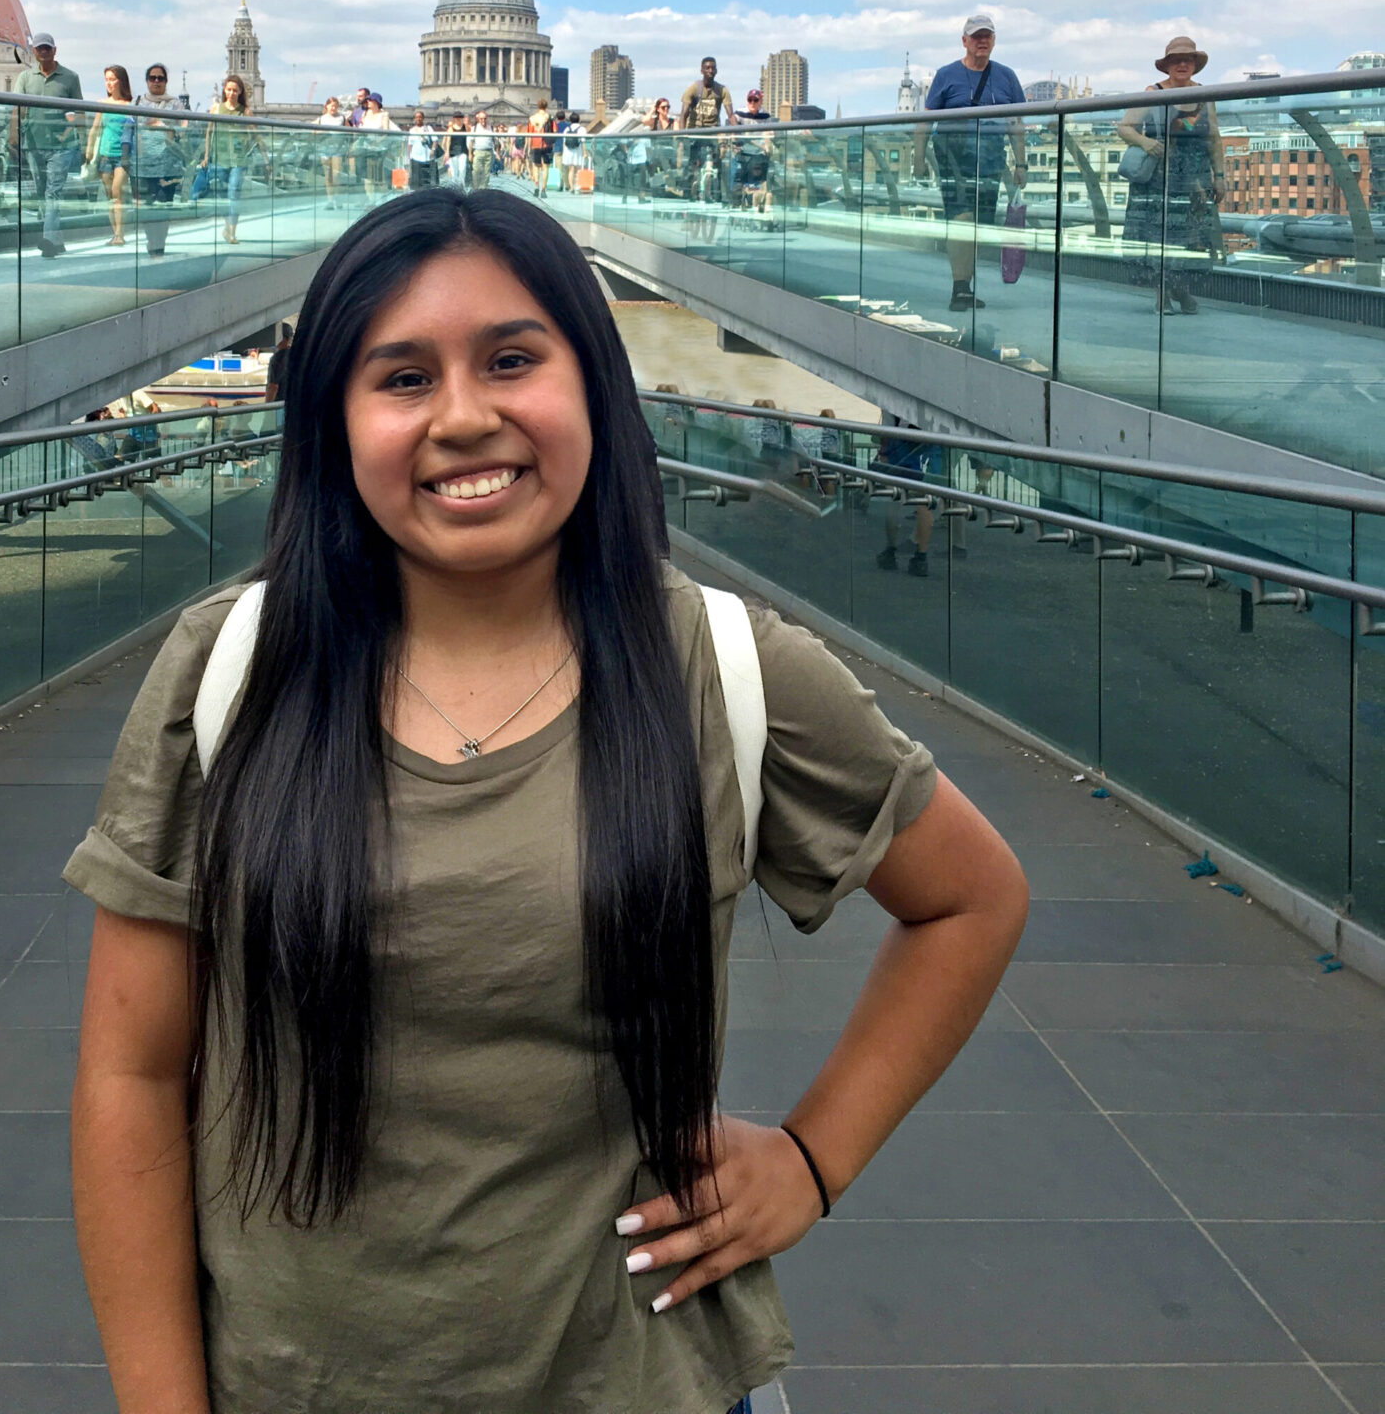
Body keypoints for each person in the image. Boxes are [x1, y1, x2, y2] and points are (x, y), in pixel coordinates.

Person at [64, 185, 1027, 1414]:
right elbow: (131, 1074)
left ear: (593, 390)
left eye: (512, 359)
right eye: (401, 378)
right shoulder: (231, 673)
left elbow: (973, 899)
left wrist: (808, 1160)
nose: (465, 418)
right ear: (333, 423)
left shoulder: (729, 669)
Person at [910, 15, 1027, 313]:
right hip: (954, 155)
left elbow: (1016, 122)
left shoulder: (1007, 77)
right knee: (961, 219)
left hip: (990, 156)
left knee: (979, 225)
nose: (982, 41)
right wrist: (919, 159)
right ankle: (959, 288)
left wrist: (1021, 163)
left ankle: (965, 287)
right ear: (964, 41)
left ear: (994, 40)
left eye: (987, 36)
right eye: (976, 36)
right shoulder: (946, 75)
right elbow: (924, 120)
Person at [1116, 37, 1225, 316]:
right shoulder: (1152, 92)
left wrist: (1220, 175)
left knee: (1190, 240)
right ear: (1166, 66)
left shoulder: (1204, 96)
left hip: (1195, 182)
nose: (1182, 64)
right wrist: (1145, 142)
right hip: (1158, 180)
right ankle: (1162, 295)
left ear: (1194, 65)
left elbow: (1213, 138)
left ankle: (1181, 290)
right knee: (1158, 238)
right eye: (1176, 60)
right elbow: (1125, 127)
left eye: (1187, 59)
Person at [14, 33, 84, 259]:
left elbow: (78, 112)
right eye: (39, 49)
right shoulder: (25, 78)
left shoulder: (70, 77)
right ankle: (57, 240)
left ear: (55, 50)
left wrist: (69, 135)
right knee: (42, 191)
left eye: (47, 48)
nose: (43, 52)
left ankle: (48, 241)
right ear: (34, 52)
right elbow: (16, 108)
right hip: (33, 144)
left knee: (53, 192)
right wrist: (12, 136)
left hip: (61, 147)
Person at [875, 416, 940, 577]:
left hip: (901, 443)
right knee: (924, 502)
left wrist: (883, 451)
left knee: (894, 498)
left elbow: (887, 428)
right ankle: (921, 557)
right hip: (932, 444)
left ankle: (890, 551)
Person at [133, 63, 185, 257]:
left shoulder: (176, 104)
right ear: (147, 81)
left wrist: (159, 124)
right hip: (143, 164)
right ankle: (151, 240)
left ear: (166, 81)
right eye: (152, 78)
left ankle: (159, 244)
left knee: (163, 206)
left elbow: (184, 128)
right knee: (146, 207)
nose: (156, 81)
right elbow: (129, 129)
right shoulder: (137, 103)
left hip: (167, 165)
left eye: (160, 78)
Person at [202, 75, 260, 244]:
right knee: (222, 197)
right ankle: (227, 227)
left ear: (240, 92)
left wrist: (262, 156)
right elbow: (208, 133)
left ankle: (232, 232)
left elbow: (256, 136)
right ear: (224, 91)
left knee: (234, 195)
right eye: (229, 89)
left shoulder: (245, 112)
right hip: (219, 158)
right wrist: (206, 156)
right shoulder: (216, 109)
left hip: (238, 160)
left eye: (235, 90)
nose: (232, 93)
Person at [85, 66, 136, 246]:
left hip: (122, 156)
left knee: (117, 192)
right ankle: (114, 233)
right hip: (105, 154)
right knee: (109, 196)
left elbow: (132, 133)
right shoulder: (102, 103)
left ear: (120, 81)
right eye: (106, 79)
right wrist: (89, 149)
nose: (109, 83)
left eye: (112, 79)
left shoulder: (129, 107)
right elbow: (95, 128)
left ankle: (120, 234)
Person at [680, 57, 734, 209]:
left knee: (719, 164)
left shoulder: (722, 90)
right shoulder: (694, 88)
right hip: (695, 132)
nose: (710, 71)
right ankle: (689, 197)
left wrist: (737, 135)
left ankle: (720, 196)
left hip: (712, 132)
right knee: (692, 167)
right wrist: (683, 135)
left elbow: (730, 115)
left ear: (716, 70)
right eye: (707, 68)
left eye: (713, 68)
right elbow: (683, 114)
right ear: (702, 70)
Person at [316, 96, 347, 204]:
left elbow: (348, 131)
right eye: (331, 106)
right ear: (327, 106)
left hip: (338, 149)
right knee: (328, 176)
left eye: (335, 106)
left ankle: (337, 198)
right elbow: (313, 131)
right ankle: (330, 200)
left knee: (336, 174)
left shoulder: (341, 118)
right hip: (324, 149)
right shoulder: (321, 118)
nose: (333, 108)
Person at [524, 98, 553, 197]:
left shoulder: (532, 118)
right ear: (546, 106)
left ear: (538, 106)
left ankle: (536, 186)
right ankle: (543, 190)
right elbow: (554, 131)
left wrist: (527, 148)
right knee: (545, 168)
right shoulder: (549, 118)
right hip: (547, 144)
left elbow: (529, 134)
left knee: (536, 167)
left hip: (535, 144)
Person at [405, 107, 438, 190]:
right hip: (415, 157)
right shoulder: (411, 130)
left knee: (427, 179)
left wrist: (433, 150)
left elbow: (435, 140)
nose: (418, 119)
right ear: (414, 119)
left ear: (423, 118)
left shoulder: (428, 128)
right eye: (416, 117)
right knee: (416, 180)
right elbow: (410, 144)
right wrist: (408, 156)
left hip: (426, 157)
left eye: (420, 117)